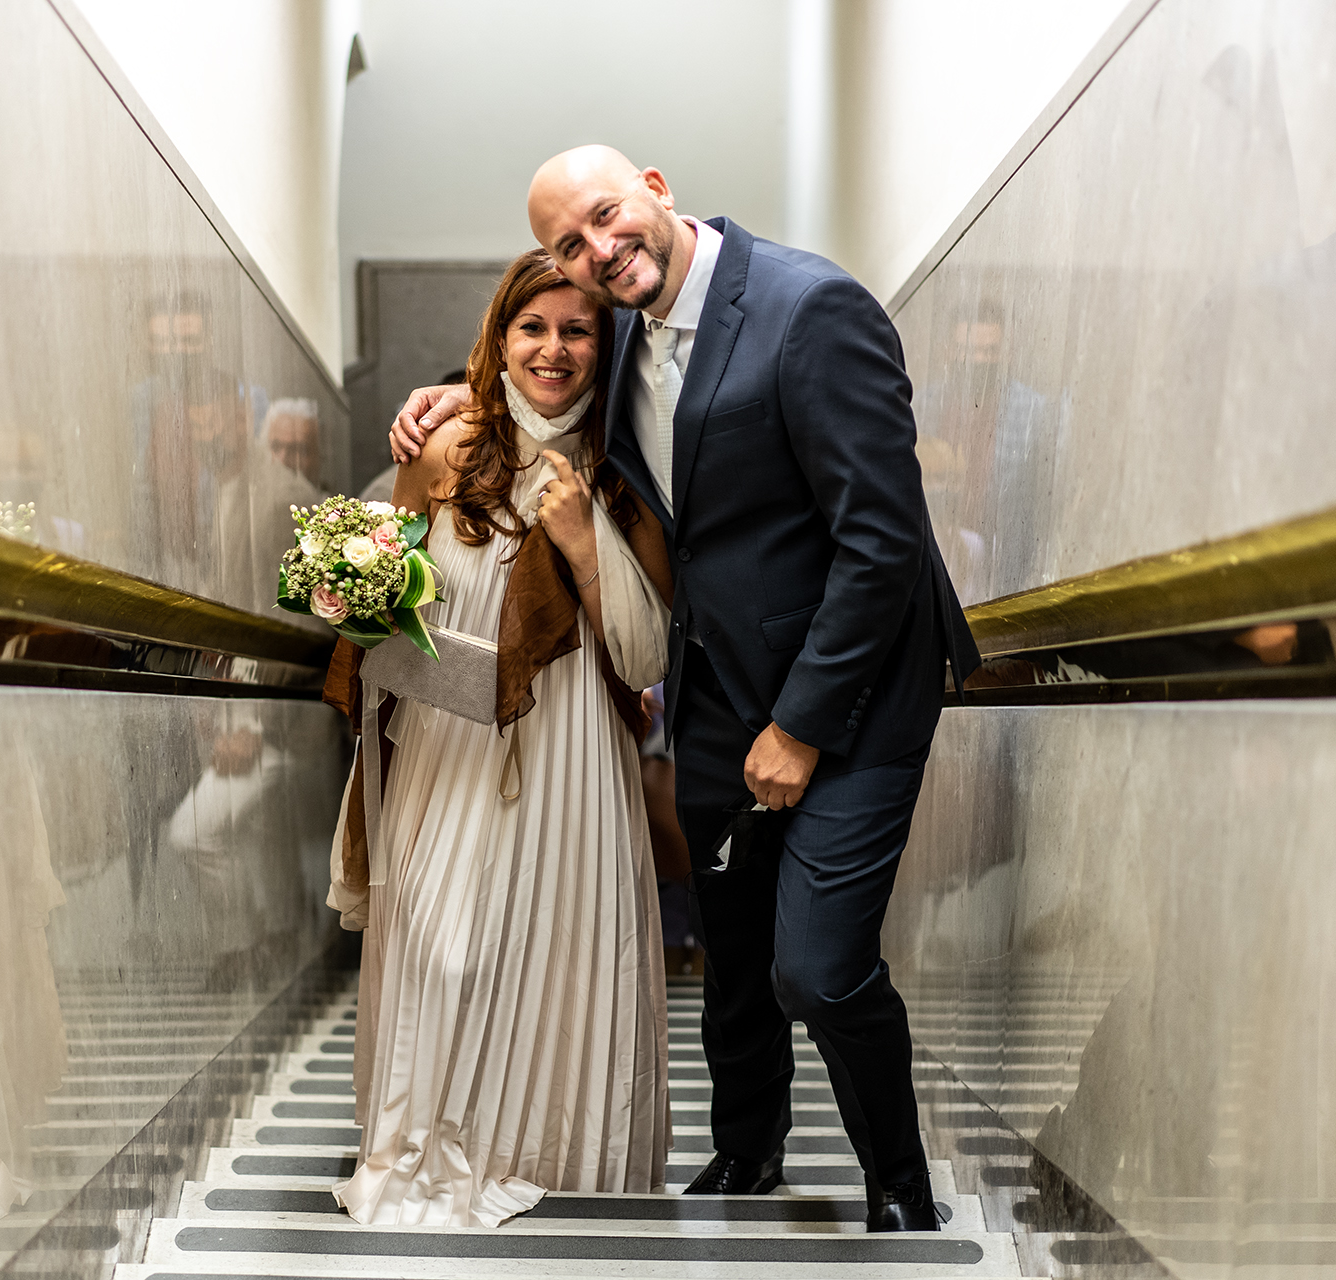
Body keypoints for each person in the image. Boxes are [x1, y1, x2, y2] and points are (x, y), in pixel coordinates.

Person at [390, 145, 982, 1232]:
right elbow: (545, 372)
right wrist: (453, 392)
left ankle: (899, 1180)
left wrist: (800, 726)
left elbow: (885, 540)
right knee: (734, 949)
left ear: (655, 189)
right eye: (570, 244)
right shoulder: (621, 324)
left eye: (607, 216)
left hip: (850, 695)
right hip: (717, 690)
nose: (599, 251)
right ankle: (748, 1152)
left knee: (816, 967)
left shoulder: (811, 308)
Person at [327, 248, 676, 1227]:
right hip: (445, 743)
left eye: (577, 330)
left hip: (572, 753)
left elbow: (645, 654)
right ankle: (428, 1141)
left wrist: (582, 539)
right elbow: (382, 596)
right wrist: (347, 584)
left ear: (606, 346)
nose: (553, 349)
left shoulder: (628, 475)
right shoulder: (442, 446)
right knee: (442, 946)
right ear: (500, 337)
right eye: (533, 328)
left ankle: (556, 1159)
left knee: (561, 958)